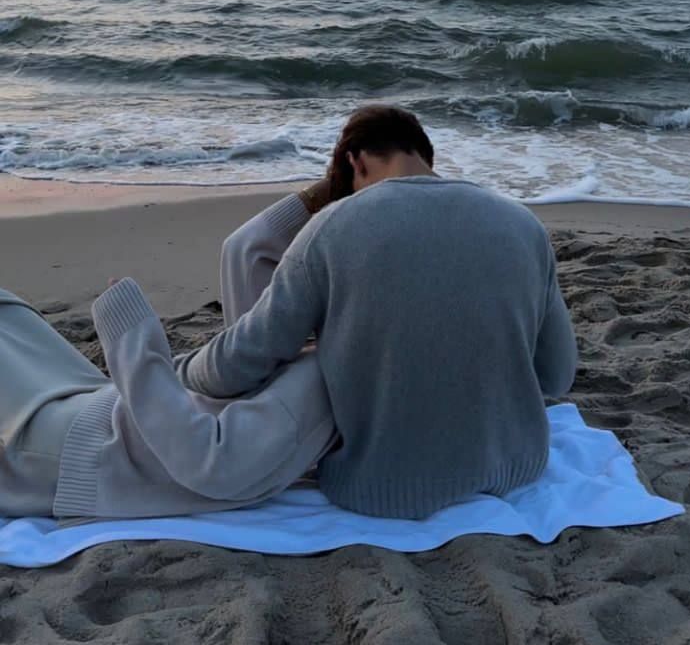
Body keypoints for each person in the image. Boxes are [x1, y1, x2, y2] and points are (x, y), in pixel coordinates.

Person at [177, 104, 578, 520]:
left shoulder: (331, 228)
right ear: (426, 155)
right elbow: (556, 375)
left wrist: (181, 370)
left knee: (308, 363)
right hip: (515, 467)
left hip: (382, 488)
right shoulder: (523, 225)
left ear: (355, 160)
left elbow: (238, 362)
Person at [0, 192, 334, 519]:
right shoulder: (330, 347)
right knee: (9, 312)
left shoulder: (324, 380)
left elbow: (213, 463)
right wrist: (335, 187)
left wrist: (135, 339)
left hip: (78, 450)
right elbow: (245, 251)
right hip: (104, 409)